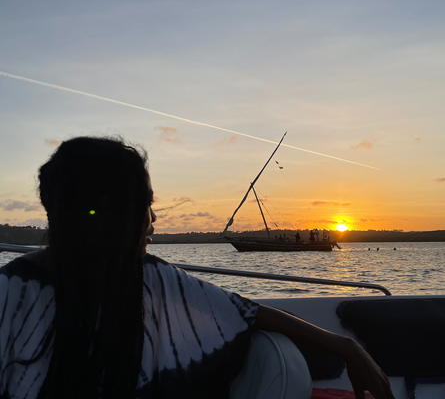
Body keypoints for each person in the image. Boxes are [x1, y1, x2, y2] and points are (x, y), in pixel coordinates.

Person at [0, 137, 394, 399]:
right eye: (144, 205)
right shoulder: (10, 294)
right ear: (107, 213)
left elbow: (248, 312)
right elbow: (247, 313)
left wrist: (348, 347)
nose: (152, 220)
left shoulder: (156, 278)